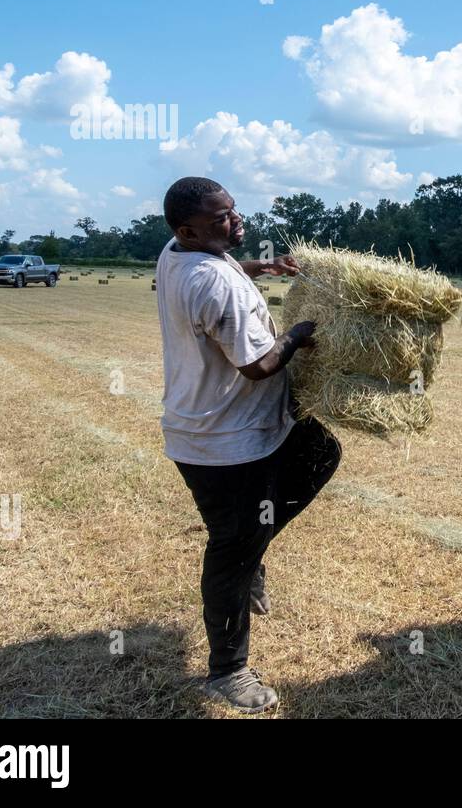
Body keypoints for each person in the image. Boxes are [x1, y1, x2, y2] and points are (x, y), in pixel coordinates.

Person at [157, 176, 341, 713]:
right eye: (220, 219)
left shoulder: (175, 253)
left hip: (240, 428)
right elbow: (259, 366)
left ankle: (253, 549)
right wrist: (297, 335)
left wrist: (264, 267)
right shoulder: (216, 285)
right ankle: (227, 672)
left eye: (233, 210)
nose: (234, 221)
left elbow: (224, 268)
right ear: (189, 230)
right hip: (224, 442)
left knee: (319, 452)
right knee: (231, 552)